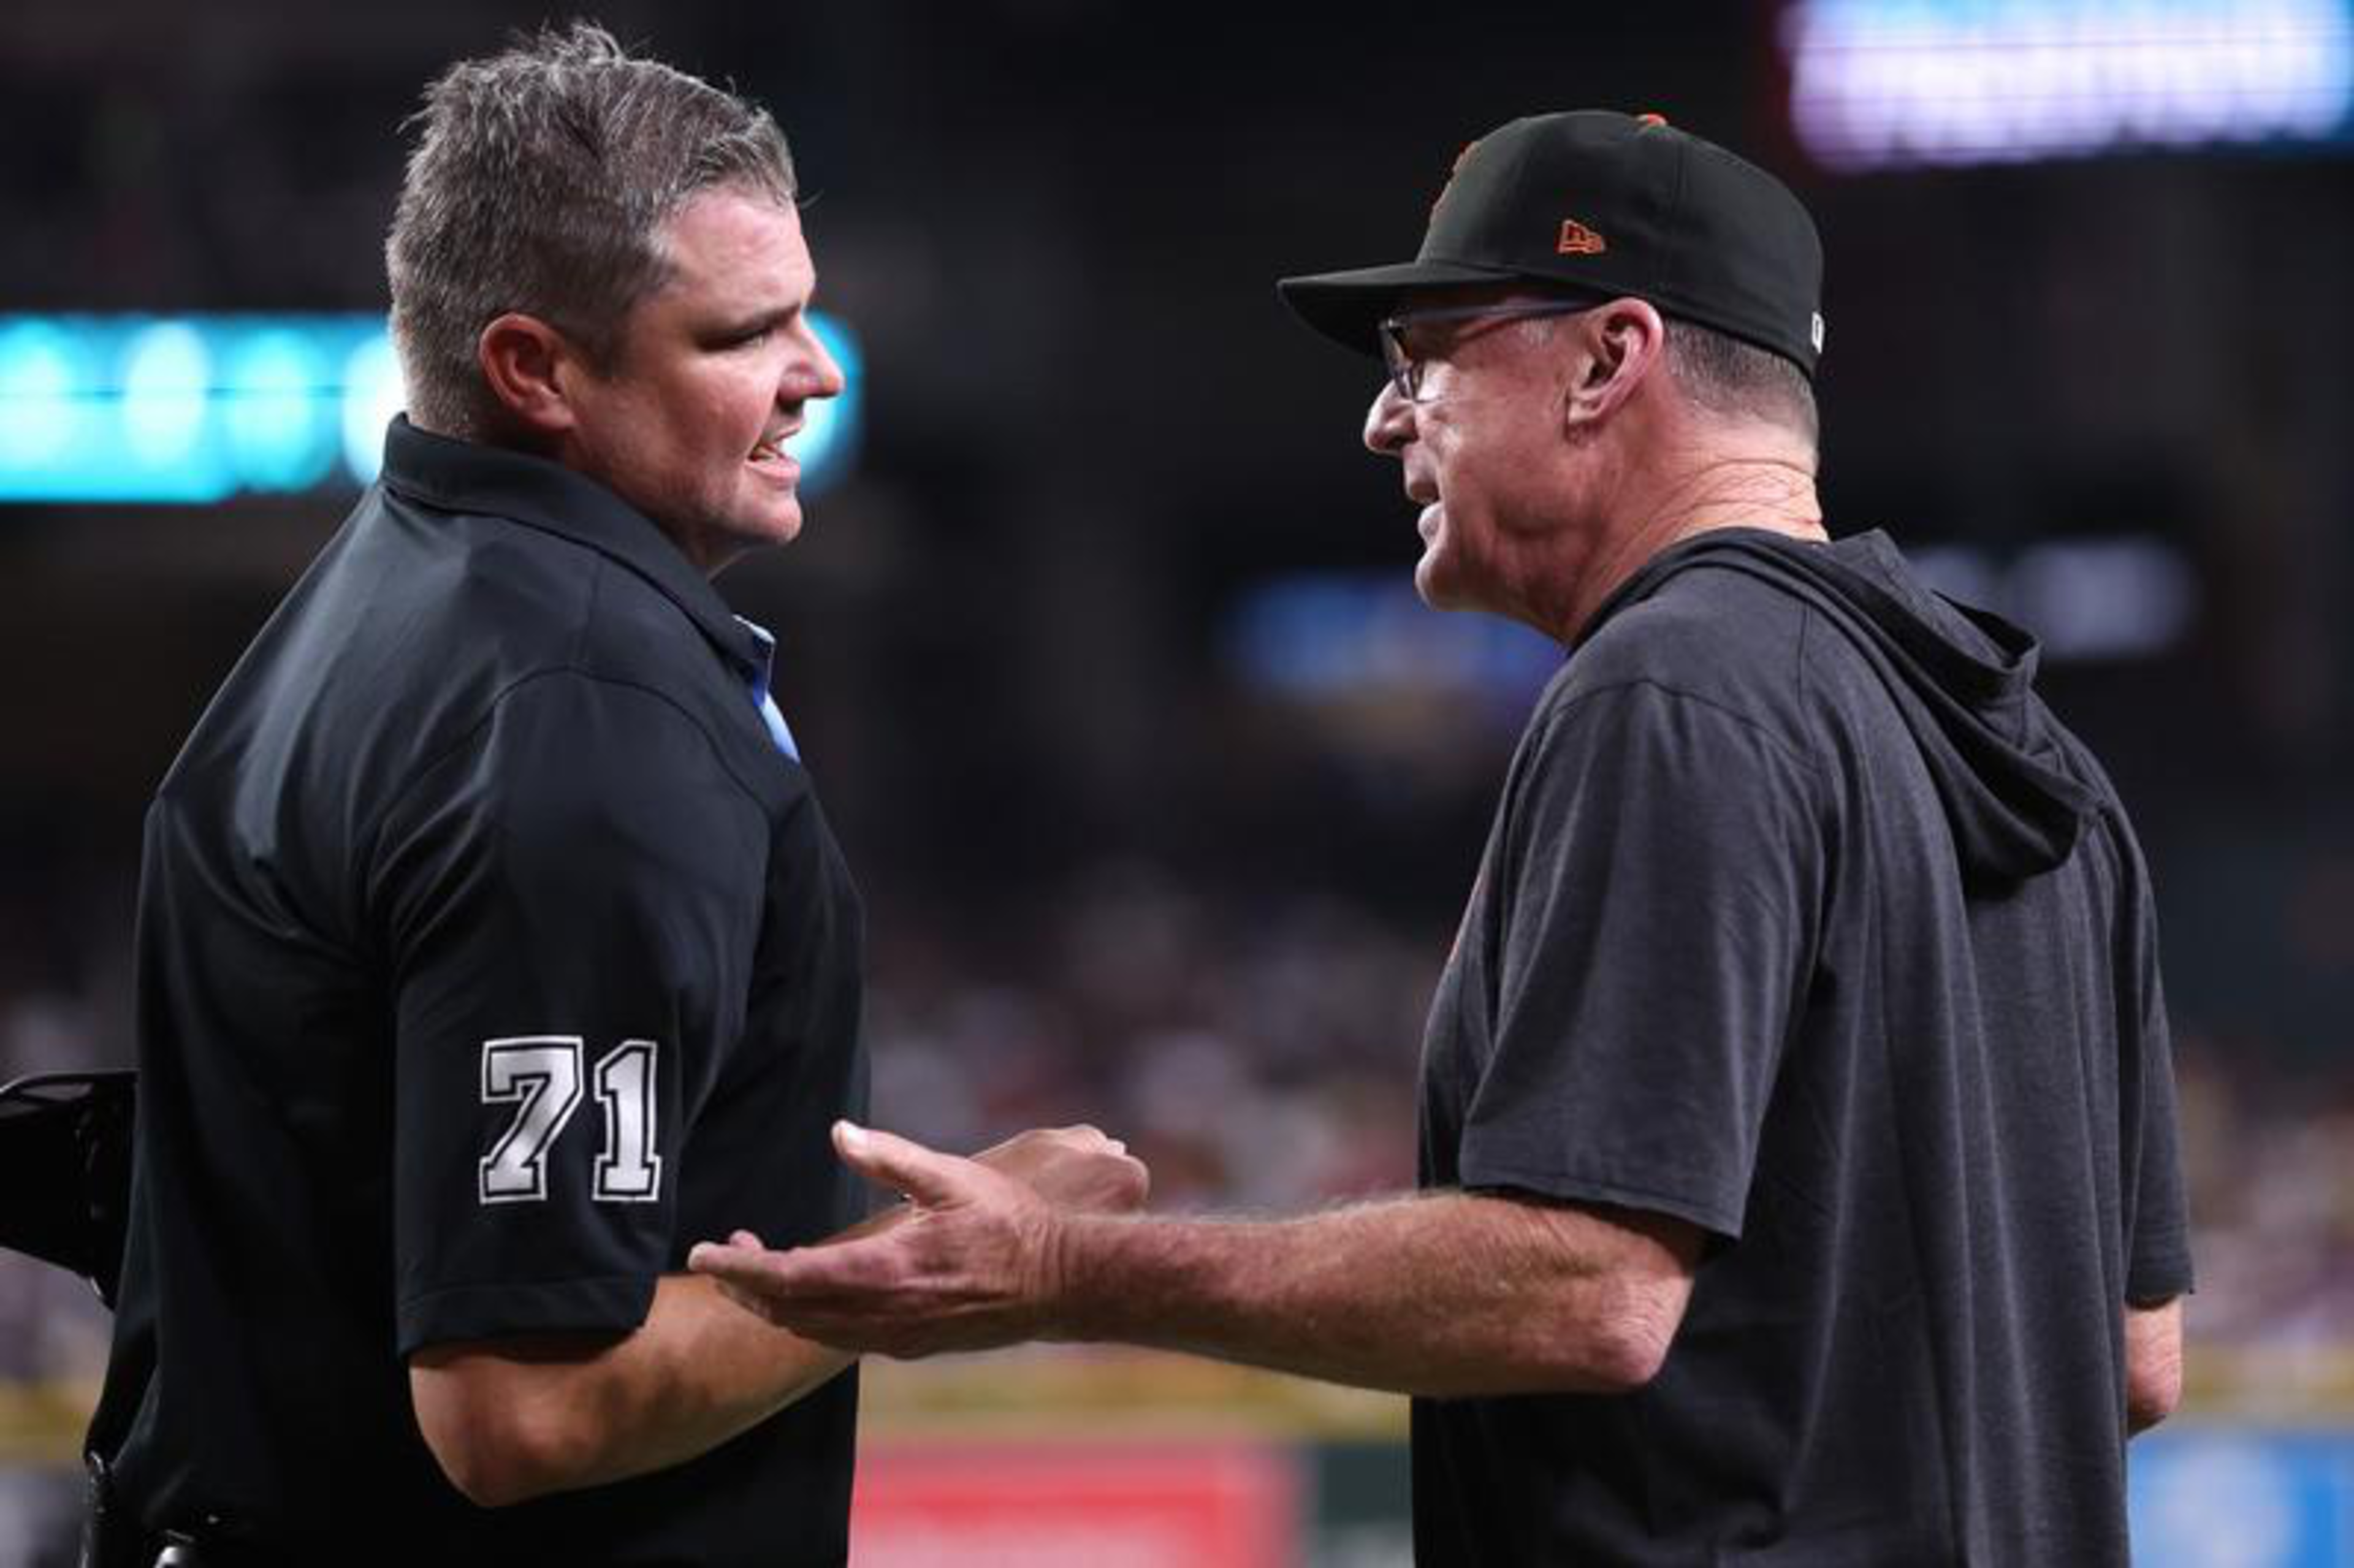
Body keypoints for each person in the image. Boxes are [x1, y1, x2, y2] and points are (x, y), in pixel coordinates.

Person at [692, 110, 2194, 1564]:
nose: (1383, 416)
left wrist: (1060, 1263)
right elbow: (2134, 1360)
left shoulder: (1678, 684)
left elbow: (1587, 1292)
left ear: (1611, 359)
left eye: (1426, 356)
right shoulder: (2031, 750)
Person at [82, 24, 1144, 1567]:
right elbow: (523, 1409)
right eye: (741, 335)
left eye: (807, 313)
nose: (816, 374)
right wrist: (949, 1251)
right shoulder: (582, 712)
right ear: (535, 369)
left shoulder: (384, 595)